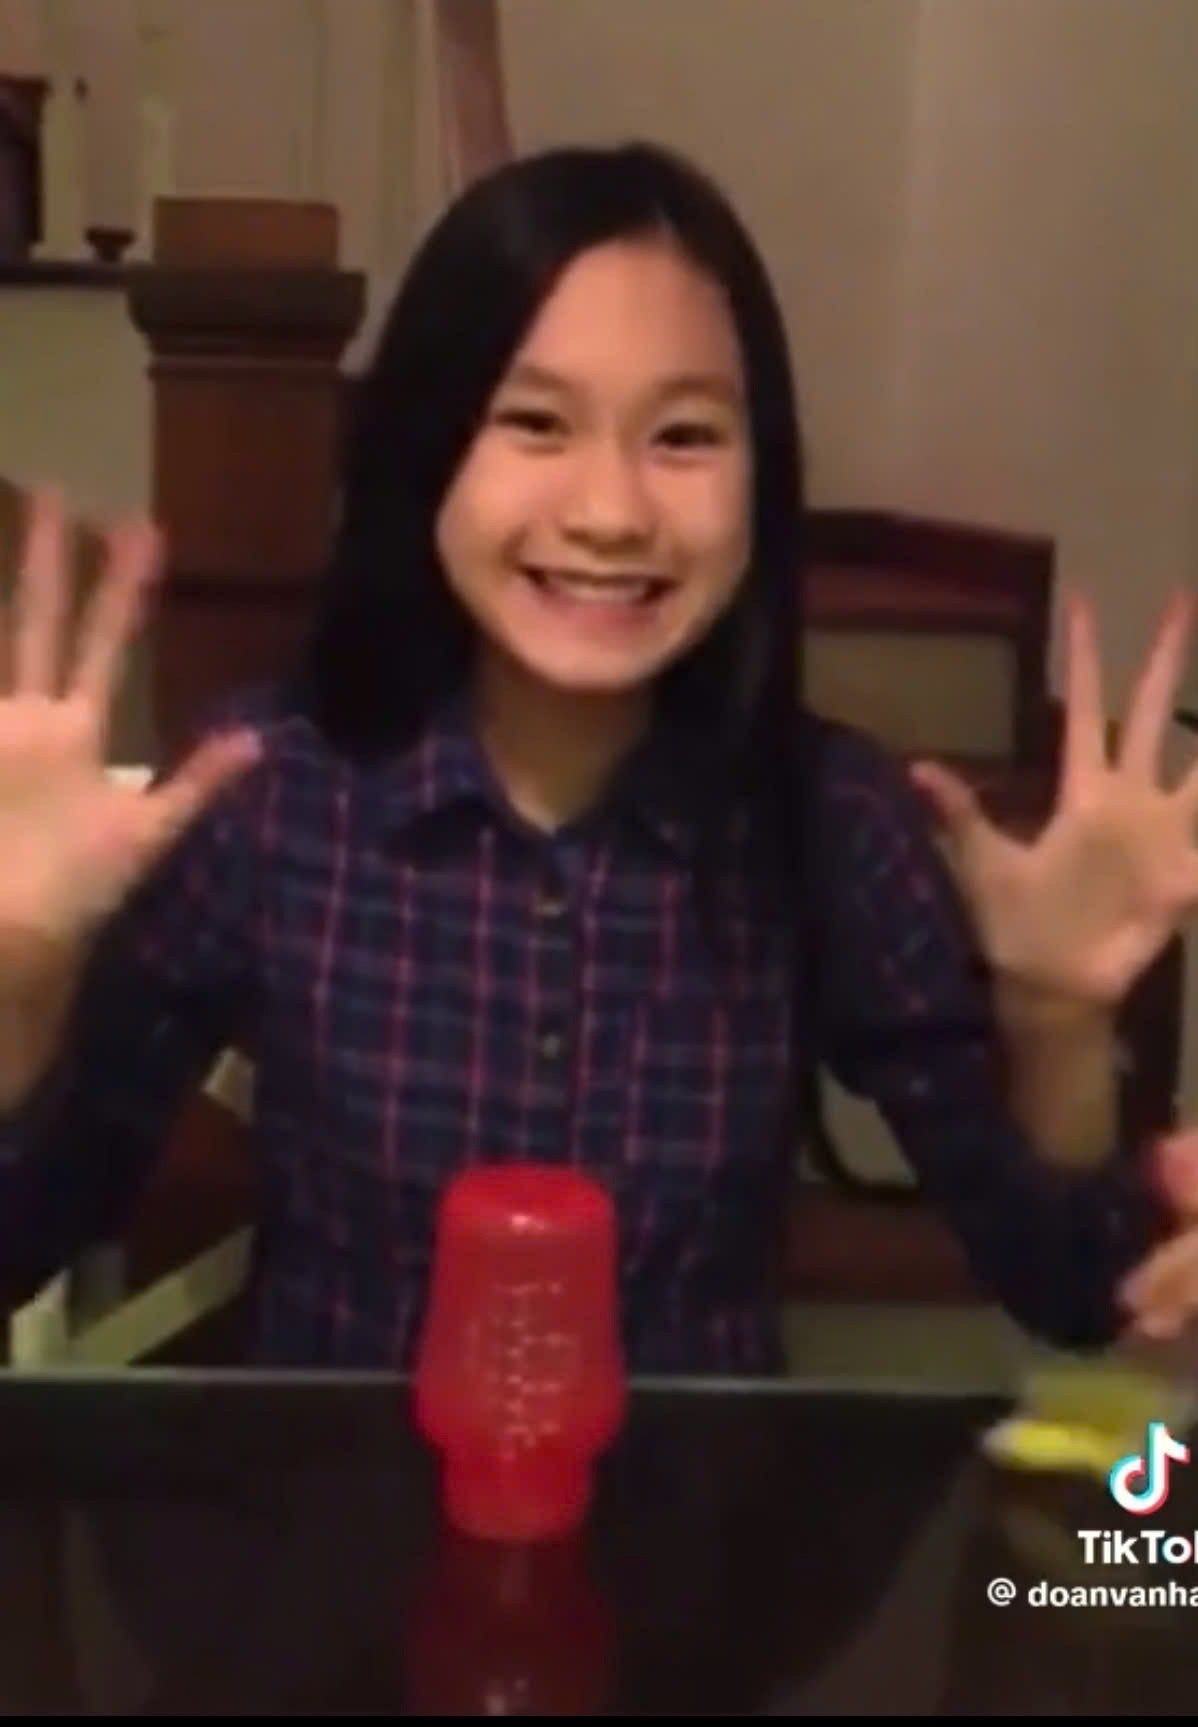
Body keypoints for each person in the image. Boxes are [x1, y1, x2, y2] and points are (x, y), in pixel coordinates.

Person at [1, 141, 1196, 1372]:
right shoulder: (273, 796)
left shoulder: (827, 816)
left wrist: (1056, 1016)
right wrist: (19, 969)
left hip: (689, 1494)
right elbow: (18, 1240)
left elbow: (1067, 1284)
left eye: (683, 435)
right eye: (534, 422)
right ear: (425, 449)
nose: (610, 513)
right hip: (340, 1487)